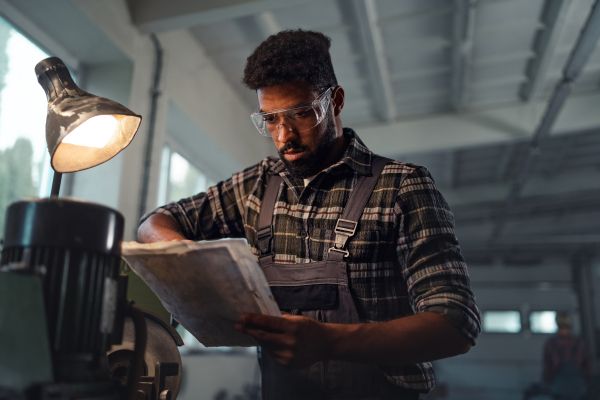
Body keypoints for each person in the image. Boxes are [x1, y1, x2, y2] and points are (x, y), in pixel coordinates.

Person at [138, 29, 482, 399]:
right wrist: (194, 267)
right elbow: (153, 224)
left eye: (301, 113)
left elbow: (456, 322)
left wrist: (332, 342)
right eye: (270, 119)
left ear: (335, 100)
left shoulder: (403, 187)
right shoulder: (255, 187)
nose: (285, 136)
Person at [542, 312, 590, 399]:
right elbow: (586, 367)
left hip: (559, 388)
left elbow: (547, 369)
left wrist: (548, 381)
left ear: (557, 323)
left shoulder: (550, 344)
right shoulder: (580, 343)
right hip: (578, 388)